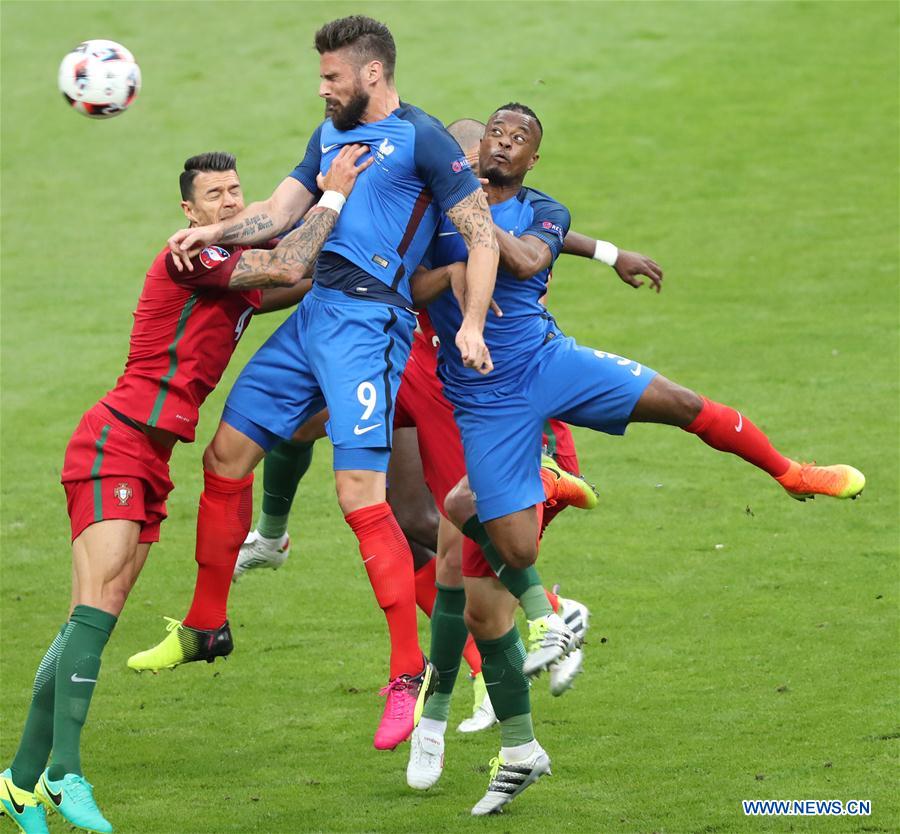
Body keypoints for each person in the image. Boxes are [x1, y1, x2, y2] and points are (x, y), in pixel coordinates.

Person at [423, 102, 865, 815]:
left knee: (682, 403)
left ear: (532, 159)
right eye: (491, 138)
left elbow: (534, 253)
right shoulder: (432, 219)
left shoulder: (539, 209)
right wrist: (468, 235)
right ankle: (514, 704)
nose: (501, 146)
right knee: (505, 544)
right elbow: (414, 285)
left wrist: (475, 221)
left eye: (516, 140)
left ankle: (788, 471)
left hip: (548, 360)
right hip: (486, 401)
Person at [134, 15, 499, 752]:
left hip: (369, 327)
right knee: (226, 457)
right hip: (315, 314)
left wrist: (472, 324)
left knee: (358, 495)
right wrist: (216, 233)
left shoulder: (424, 138)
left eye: (331, 76)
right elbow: (277, 212)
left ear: (371, 73)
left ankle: (409, 674)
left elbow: (481, 233)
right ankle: (208, 625)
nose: (322, 87)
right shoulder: (328, 133)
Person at [0, 148, 369, 834]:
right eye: (215, 196)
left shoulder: (230, 273)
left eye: (236, 191)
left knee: (93, 613)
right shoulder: (189, 255)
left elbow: (299, 275)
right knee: (93, 615)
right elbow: (289, 264)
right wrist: (336, 194)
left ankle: (20, 783)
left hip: (153, 454)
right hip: (116, 440)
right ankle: (65, 775)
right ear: (189, 212)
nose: (230, 204)